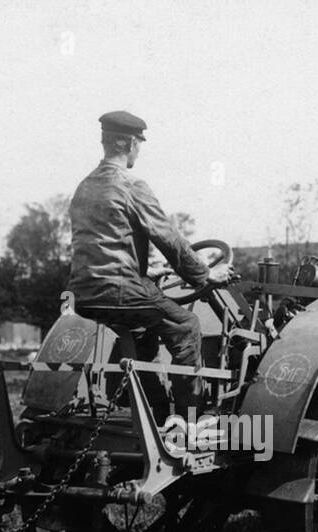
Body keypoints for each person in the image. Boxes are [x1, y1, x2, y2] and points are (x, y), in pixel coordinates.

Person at [67, 110, 234, 420]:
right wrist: (205, 274)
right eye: (138, 144)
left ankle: (154, 414)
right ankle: (188, 422)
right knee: (186, 325)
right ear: (128, 143)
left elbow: (102, 245)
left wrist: (144, 271)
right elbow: (167, 237)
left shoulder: (84, 187)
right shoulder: (131, 185)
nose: (139, 151)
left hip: (82, 295)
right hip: (120, 292)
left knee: (144, 333)